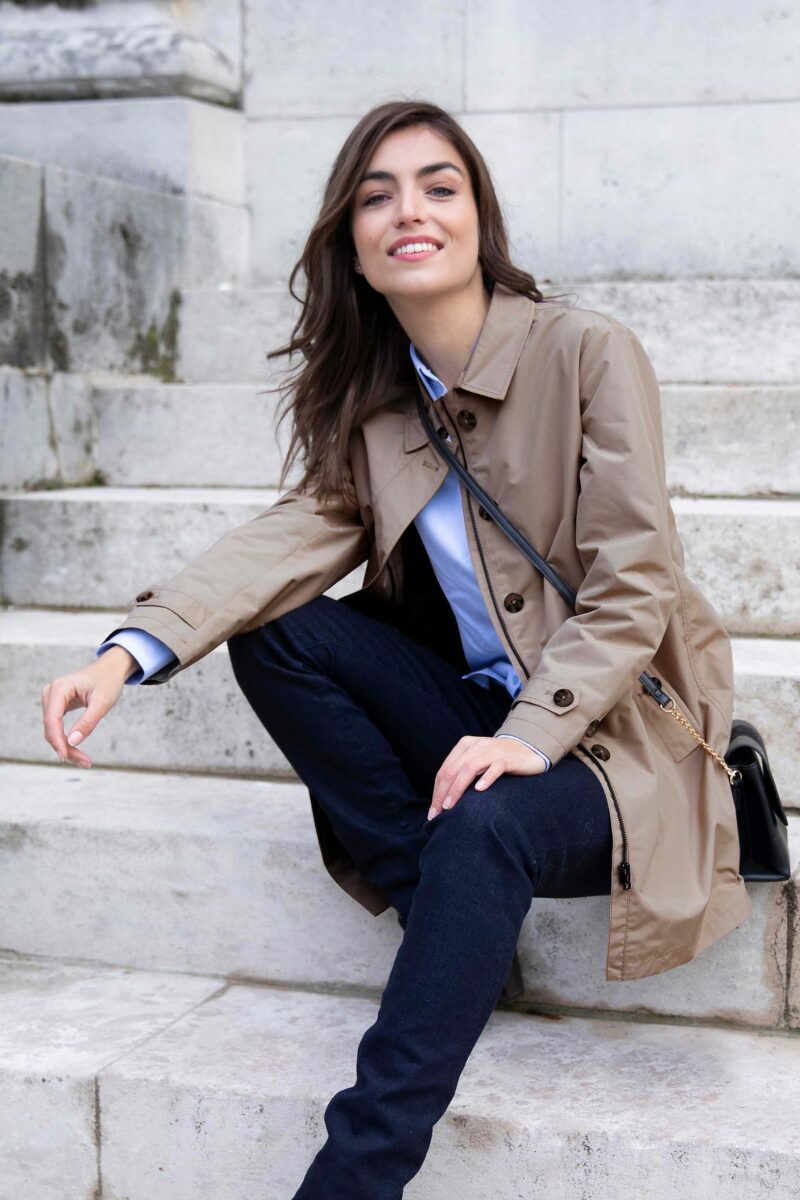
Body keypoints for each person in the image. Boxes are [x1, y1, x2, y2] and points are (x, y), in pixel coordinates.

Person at [41, 100, 752, 1199]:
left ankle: (353, 1177)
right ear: (354, 247)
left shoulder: (586, 352)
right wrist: (127, 654)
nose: (407, 212)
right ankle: (446, 923)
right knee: (279, 633)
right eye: (376, 197)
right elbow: (286, 542)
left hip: (616, 741)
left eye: (437, 187)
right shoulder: (379, 403)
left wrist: (527, 737)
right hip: (482, 712)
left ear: (478, 219)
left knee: (484, 824)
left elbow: (633, 583)